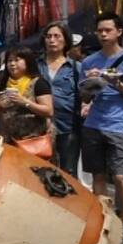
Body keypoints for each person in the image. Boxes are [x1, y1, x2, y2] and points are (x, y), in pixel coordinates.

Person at [79, 12, 123, 224]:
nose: (103, 34)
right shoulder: (88, 61)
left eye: (108, 30)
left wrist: (116, 82)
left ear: (119, 32)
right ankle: (103, 219)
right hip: (93, 125)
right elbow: (84, 96)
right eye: (100, 31)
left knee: (119, 176)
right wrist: (91, 84)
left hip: (118, 126)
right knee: (97, 175)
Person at [0, 47, 52, 145]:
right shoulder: (2, 86)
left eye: (17, 60)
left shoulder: (38, 83)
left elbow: (49, 111)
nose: (12, 64)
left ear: (28, 62)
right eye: (9, 61)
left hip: (32, 142)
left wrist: (25, 102)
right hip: (7, 142)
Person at [38, 21, 83, 174]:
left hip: (68, 127)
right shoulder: (35, 66)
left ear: (66, 41)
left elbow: (85, 96)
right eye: (48, 36)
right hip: (38, 127)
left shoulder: (77, 68)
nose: (52, 40)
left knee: (68, 173)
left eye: (57, 36)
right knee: (40, 172)